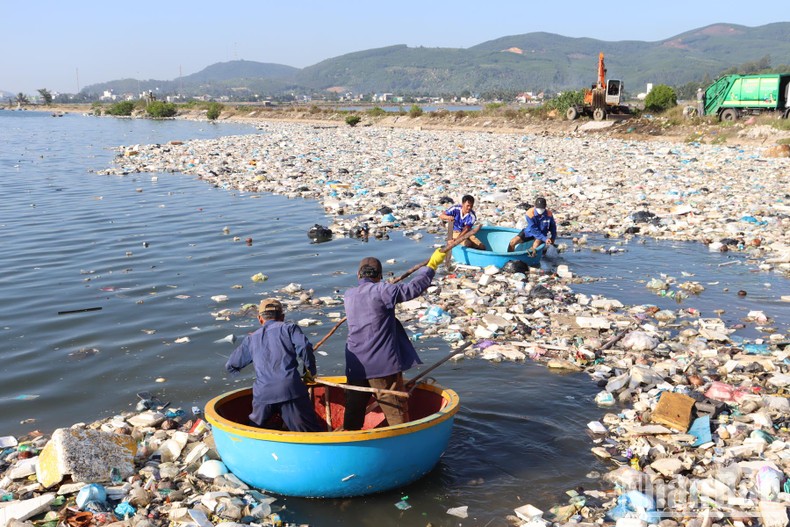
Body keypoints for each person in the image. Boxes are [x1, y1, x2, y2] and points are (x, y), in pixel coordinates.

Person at [342, 248, 445, 430]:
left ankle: (348, 440)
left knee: (354, 409)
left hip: (355, 365)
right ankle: (402, 444)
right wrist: (431, 266)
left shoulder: (349, 295)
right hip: (381, 365)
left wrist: (385, 287)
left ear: (358, 275)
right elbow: (412, 289)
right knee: (395, 410)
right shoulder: (383, 290)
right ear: (380, 275)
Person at [225, 298, 322, 432]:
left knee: (255, 431)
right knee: (308, 433)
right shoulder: (289, 328)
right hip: (290, 390)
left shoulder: (251, 339)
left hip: (263, 394)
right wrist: (310, 371)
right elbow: (304, 346)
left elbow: (232, 365)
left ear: (260, 319)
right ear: (282, 316)